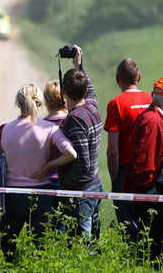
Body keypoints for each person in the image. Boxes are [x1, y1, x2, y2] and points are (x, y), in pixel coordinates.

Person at [0, 83, 77, 262]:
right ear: (39, 103)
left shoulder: (4, 130)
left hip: (12, 198)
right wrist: (49, 165)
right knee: (41, 252)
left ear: (18, 104)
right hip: (42, 196)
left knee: (7, 250)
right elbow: (71, 153)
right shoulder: (49, 128)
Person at [123, 76, 163, 265]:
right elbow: (144, 164)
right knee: (158, 251)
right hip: (155, 195)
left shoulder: (153, 117)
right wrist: (151, 193)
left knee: (157, 247)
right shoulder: (153, 122)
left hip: (157, 192)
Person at [57, 45, 103, 244]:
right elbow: (89, 89)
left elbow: (82, 163)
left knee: (82, 248)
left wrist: (64, 186)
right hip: (96, 184)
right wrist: (79, 65)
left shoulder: (74, 120)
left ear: (64, 91)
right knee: (93, 242)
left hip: (81, 191)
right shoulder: (92, 105)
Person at [103, 58, 151, 242]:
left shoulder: (116, 104)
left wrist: (115, 179)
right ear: (139, 77)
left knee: (128, 226)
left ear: (117, 79)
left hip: (125, 171)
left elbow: (113, 150)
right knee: (148, 223)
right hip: (149, 171)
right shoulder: (150, 99)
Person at [43, 79, 68, 188]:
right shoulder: (69, 121)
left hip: (45, 180)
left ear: (46, 100)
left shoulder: (41, 124)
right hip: (67, 178)